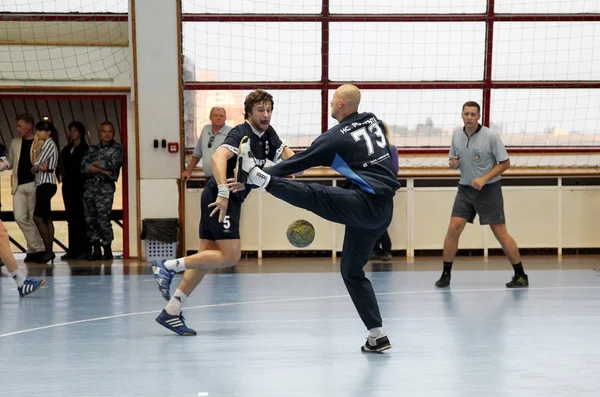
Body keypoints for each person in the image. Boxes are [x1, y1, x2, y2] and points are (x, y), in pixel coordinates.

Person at [232, 84, 400, 353]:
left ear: (342, 103)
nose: (331, 102)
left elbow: (300, 162)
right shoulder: (372, 121)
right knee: (351, 271)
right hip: (382, 211)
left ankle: (258, 178)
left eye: (334, 99)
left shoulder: (336, 137)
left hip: (365, 204)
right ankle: (376, 335)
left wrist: (260, 177)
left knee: (316, 195)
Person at [151, 89, 296, 336]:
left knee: (206, 257)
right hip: (222, 199)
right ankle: (168, 265)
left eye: (269, 110)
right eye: (260, 109)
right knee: (230, 256)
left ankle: (172, 311)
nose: (266, 114)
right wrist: (223, 193)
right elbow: (219, 158)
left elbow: (286, 156)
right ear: (248, 112)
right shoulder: (241, 133)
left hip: (230, 199)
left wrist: (298, 165)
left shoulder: (268, 135)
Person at [434, 101, 528, 289]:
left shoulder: (490, 136)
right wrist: (453, 163)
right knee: (454, 227)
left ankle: (520, 274)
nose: (469, 117)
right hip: (465, 189)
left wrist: (484, 178)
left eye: (473, 114)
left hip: (489, 190)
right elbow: (453, 159)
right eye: (466, 114)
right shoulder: (456, 134)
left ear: (479, 117)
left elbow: (505, 163)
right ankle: (446, 274)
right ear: (462, 115)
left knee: (500, 232)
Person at [0, 114, 45, 261]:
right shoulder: (15, 143)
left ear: (29, 126)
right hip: (18, 185)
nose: (18, 129)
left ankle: (35, 249)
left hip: (35, 184)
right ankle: (36, 247)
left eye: (20, 126)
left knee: (33, 217)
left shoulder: (40, 143)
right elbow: (10, 162)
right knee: (19, 217)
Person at [81, 121, 124, 260]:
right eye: (104, 131)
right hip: (90, 188)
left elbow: (112, 164)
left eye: (109, 131)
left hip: (105, 189)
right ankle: (96, 249)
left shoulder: (117, 149)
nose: (106, 134)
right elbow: (83, 166)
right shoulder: (93, 149)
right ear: (100, 133)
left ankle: (107, 249)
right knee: (90, 219)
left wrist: (94, 164)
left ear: (113, 133)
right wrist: (101, 169)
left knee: (104, 219)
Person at [31, 120, 60, 264]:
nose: (38, 133)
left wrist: (36, 167)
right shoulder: (48, 144)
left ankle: (48, 251)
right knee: (47, 217)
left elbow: (36, 164)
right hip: (46, 183)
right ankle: (49, 250)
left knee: (37, 217)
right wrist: (37, 167)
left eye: (40, 131)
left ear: (48, 132)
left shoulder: (48, 144)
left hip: (45, 183)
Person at [60, 121, 91, 259]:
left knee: (82, 217)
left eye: (75, 130)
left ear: (80, 132)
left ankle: (85, 249)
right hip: (68, 186)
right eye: (71, 130)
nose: (72, 133)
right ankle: (73, 249)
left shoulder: (85, 149)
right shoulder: (67, 149)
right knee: (71, 218)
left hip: (81, 186)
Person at [371, 123, 398, 261]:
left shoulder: (391, 149)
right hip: (370, 188)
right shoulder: (368, 150)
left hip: (384, 189)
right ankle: (375, 249)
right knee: (371, 219)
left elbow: (394, 170)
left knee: (381, 220)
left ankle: (386, 249)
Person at [182, 107, 232, 181]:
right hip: (209, 178)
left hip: (225, 178)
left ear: (225, 118)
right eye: (215, 115)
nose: (218, 118)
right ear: (210, 117)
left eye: (221, 116)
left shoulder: (231, 132)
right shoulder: (206, 130)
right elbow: (197, 154)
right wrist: (189, 171)